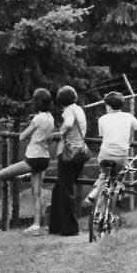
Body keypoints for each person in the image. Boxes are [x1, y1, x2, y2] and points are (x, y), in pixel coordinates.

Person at [0, 88, 56, 236]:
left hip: (33, 158)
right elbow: (48, 138)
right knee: (37, 192)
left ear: (37, 102)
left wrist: (31, 129)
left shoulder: (37, 119)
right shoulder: (50, 118)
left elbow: (22, 137)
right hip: (44, 158)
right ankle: (36, 226)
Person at [86, 91, 137, 205]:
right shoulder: (129, 117)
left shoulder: (102, 119)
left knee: (104, 174)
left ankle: (95, 196)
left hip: (104, 155)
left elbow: (103, 138)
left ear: (108, 106)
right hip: (120, 156)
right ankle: (117, 192)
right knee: (121, 170)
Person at [48, 86, 87, 236]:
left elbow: (69, 124)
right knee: (59, 189)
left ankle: (70, 228)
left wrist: (61, 131)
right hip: (79, 153)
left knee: (65, 191)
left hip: (68, 154)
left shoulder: (69, 111)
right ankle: (55, 225)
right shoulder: (79, 109)